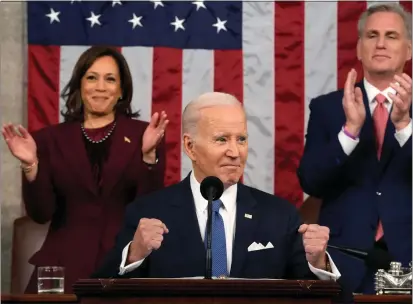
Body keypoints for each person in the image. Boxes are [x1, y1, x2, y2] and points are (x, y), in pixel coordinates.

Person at [92, 92, 341, 284]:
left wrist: (319, 263)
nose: (235, 152)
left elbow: (322, 297)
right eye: (222, 139)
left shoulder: (280, 216)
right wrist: (135, 254)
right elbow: (102, 290)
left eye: (241, 139)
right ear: (190, 147)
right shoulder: (148, 213)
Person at [2, 46, 168, 293]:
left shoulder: (145, 136)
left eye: (110, 79)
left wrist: (147, 157)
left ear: (121, 90)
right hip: (62, 269)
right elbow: (41, 213)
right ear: (80, 84)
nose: (100, 87)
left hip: (123, 268)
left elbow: (149, 210)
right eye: (92, 77)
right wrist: (30, 164)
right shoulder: (48, 140)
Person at [297, 3, 412, 294]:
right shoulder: (326, 108)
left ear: (409, 50)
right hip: (345, 261)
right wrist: (349, 131)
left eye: (391, 35)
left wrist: (403, 127)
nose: (381, 43)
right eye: (372, 35)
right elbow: (310, 180)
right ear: (360, 48)